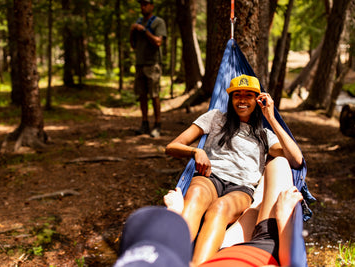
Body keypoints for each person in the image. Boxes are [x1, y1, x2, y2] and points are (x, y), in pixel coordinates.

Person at [164, 74, 303, 265]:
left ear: (258, 99)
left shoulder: (265, 134)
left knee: (219, 208)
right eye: (237, 95)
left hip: (241, 187)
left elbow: (296, 160)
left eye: (249, 95)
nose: (242, 100)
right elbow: (172, 146)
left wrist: (270, 117)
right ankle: (170, 258)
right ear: (231, 98)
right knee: (195, 194)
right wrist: (195, 151)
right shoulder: (215, 117)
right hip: (210, 176)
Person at [113, 156, 304, 267]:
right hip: (266, 248)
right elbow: (292, 263)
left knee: (253, 209)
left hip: (222, 252)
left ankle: (259, 191)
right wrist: (284, 217)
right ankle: (260, 189)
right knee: (277, 163)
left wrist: (175, 213)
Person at [130, 0, 167, 137]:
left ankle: (157, 125)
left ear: (152, 6)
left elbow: (158, 42)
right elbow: (133, 45)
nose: (143, 7)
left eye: (146, 4)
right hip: (140, 64)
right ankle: (144, 123)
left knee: (154, 95)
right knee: (142, 95)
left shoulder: (158, 22)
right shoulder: (138, 21)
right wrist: (132, 31)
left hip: (153, 64)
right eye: (141, 4)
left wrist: (144, 31)